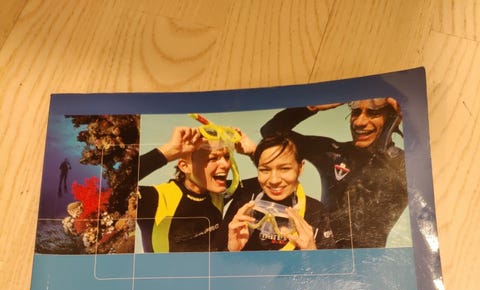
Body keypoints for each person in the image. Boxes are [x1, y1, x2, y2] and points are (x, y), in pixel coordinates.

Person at [260, 99, 408, 248]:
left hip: (367, 260)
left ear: (393, 118)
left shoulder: (404, 165)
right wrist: (310, 107)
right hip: (319, 253)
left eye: (373, 113)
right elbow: (270, 132)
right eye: (356, 112)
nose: (359, 122)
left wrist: (411, 119)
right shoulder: (334, 153)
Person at [137, 123, 254, 252]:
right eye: (213, 158)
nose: (226, 164)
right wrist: (169, 151)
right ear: (185, 166)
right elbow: (121, 182)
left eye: (226, 157)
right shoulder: (156, 198)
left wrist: (254, 151)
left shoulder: (218, 193)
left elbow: (266, 182)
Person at [216, 134, 334, 252]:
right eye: (265, 170)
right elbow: (216, 257)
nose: (274, 180)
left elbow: (331, 262)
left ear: (300, 168)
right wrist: (232, 251)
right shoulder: (244, 202)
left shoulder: (315, 210)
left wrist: (311, 251)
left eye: (285, 169)